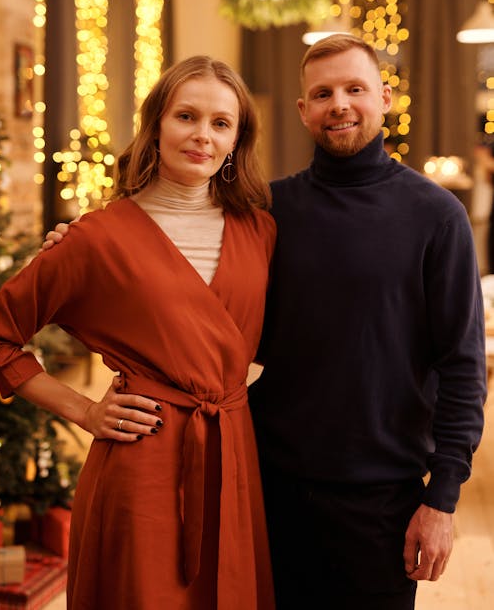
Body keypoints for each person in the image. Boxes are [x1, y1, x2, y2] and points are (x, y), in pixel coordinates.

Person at [43, 35, 487, 610]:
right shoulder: (265, 214)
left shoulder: (436, 216)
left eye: (355, 88)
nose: (340, 104)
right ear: (304, 110)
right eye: (322, 93)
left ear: (384, 96)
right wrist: (76, 251)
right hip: (261, 481)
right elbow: (180, 283)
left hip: (380, 495)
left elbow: (462, 365)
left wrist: (444, 498)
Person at [0, 56, 276, 610]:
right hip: (143, 456)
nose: (202, 135)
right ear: (156, 126)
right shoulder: (96, 237)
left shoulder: (260, 229)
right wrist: (83, 410)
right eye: (186, 117)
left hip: (233, 450)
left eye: (221, 123)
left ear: (237, 140)